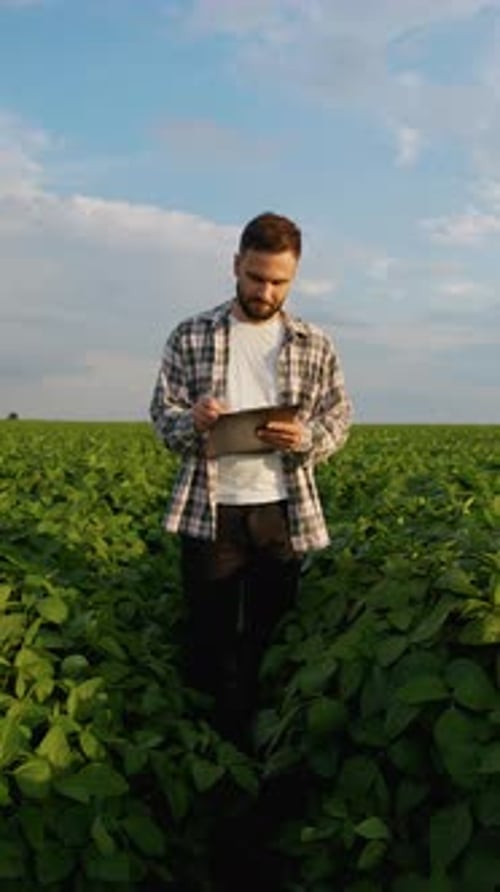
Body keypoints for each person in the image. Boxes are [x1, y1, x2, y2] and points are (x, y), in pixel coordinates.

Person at [150, 211, 352, 748]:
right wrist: (189, 421)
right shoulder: (190, 335)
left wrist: (306, 438)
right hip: (210, 509)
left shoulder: (315, 343)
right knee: (209, 636)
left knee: (273, 633)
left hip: (281, 511)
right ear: (236, 264)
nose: (265, 291)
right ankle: (209, 746)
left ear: (295, 275)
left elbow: (339, 418)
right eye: (255, 277)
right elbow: (162, 417)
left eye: (278, 281)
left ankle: (269, 740)